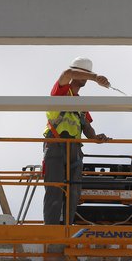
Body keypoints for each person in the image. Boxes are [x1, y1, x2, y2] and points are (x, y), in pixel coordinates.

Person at [43, 57, 111, 225]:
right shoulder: (60, 93)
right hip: (56, 145)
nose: (86, 78)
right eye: (84, 74)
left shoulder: (81, 104)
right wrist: (95, 77)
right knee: (55, 187)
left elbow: (86, 128)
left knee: (74, 190)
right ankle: (52, 228)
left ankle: (67, 226)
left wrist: (96, 138)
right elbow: (67, 73)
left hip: (74, 149)